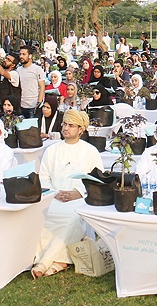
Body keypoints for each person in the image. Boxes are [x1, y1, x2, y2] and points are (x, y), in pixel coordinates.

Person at [33, 109, 104, 278]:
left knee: (72, 218)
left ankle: (46, 261)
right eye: (65, 124)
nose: (66, 128)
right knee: (41, 216)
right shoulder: (52, 150)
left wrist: (78, 193)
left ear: (81, 129)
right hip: (53, 197)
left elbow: (98, 179)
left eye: (71, 125)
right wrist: (55, 193)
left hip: (80, 200)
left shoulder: (91, 151)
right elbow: (43, 176)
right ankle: (57, 261)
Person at [0, 47, 21, 116]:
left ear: (13, 65)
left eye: (8, 60)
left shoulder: (14, 74)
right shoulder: (0, 76)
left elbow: (3, 73)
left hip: (11, 110)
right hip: (0, 108)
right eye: (6, 58)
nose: (5, 60)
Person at [16, 46, 45, 118]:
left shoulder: (37, 69)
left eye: (24, 54)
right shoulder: (18, 70)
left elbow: (42, 87)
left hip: (33, 106)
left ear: (30, 56)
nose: (21, 56)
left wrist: (38, 104)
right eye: (20, 54)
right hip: (21, 105)